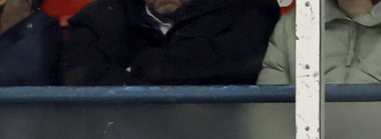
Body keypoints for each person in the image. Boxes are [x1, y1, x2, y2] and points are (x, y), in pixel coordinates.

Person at [60, 0, 278, 86]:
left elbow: (237, 66)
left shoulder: (244, 9)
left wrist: (138, 67)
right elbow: (79, 78)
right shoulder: (99, 17)